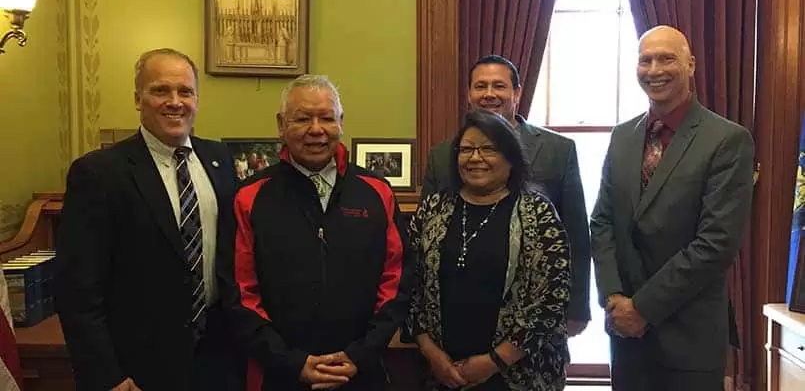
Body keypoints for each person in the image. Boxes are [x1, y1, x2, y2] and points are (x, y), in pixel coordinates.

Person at [55, 48, 242, 390]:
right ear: (138, 98)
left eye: (185, 91)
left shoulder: (219, 160)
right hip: (138, 368)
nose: (175, 101)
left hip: (219, 358)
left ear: (196, 99)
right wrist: (106, 375)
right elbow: (77, 291)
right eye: (160, 90)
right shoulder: (99, 173)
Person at [219, 74, 412, 390]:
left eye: (326, 118)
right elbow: (240, 293)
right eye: (302, 119)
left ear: (341, 122)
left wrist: (359, 354)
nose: (316, 130)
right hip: (278, 374)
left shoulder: (377, 192)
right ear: (281, 125)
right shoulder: (249, 197)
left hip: (361, 371)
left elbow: (397, 279)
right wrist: (291, 362)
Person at [590, 25, 755, 390]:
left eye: (667, 58)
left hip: (689, 339)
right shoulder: (622, 137)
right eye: (645, 60)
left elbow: (716, 243)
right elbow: (601, 221)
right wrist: (614, 297)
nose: (654, 69)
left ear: (691, 64)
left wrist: (642, 309)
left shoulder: (728, 140)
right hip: (627, 340)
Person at [420, 55, 591, 337]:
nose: (489, 94)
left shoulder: (558, 150)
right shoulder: (443, 155)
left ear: (517, 93)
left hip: (536, 311)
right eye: (480, 86)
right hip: (457, 308)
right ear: (469, 95)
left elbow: (576, 234)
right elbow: (426, 238)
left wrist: (577, 308)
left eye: (498, 86)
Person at [408, 109, 572, 391]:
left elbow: (552, 300)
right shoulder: (433, 208)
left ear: (511, 157)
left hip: (518, 373)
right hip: (443, 371)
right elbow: (409, 285)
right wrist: (432, 354)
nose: (475, 158)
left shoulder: (538, 212)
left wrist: (493, 361)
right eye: (467, 149)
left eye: (488, 149)